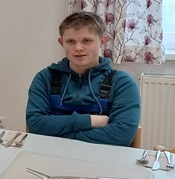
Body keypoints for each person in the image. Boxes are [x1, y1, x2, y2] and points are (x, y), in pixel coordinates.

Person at [26, 11, 140, 146]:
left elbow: (121, 136)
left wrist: (58, 132)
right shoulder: (45, 78)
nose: (78, 48)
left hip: (101, 156)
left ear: (102, 41)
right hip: (50, 153)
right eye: (71, 41)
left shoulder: (122, 83)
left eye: (87, 41)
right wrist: (91, 121)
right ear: (61, 43)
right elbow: (35, 124)